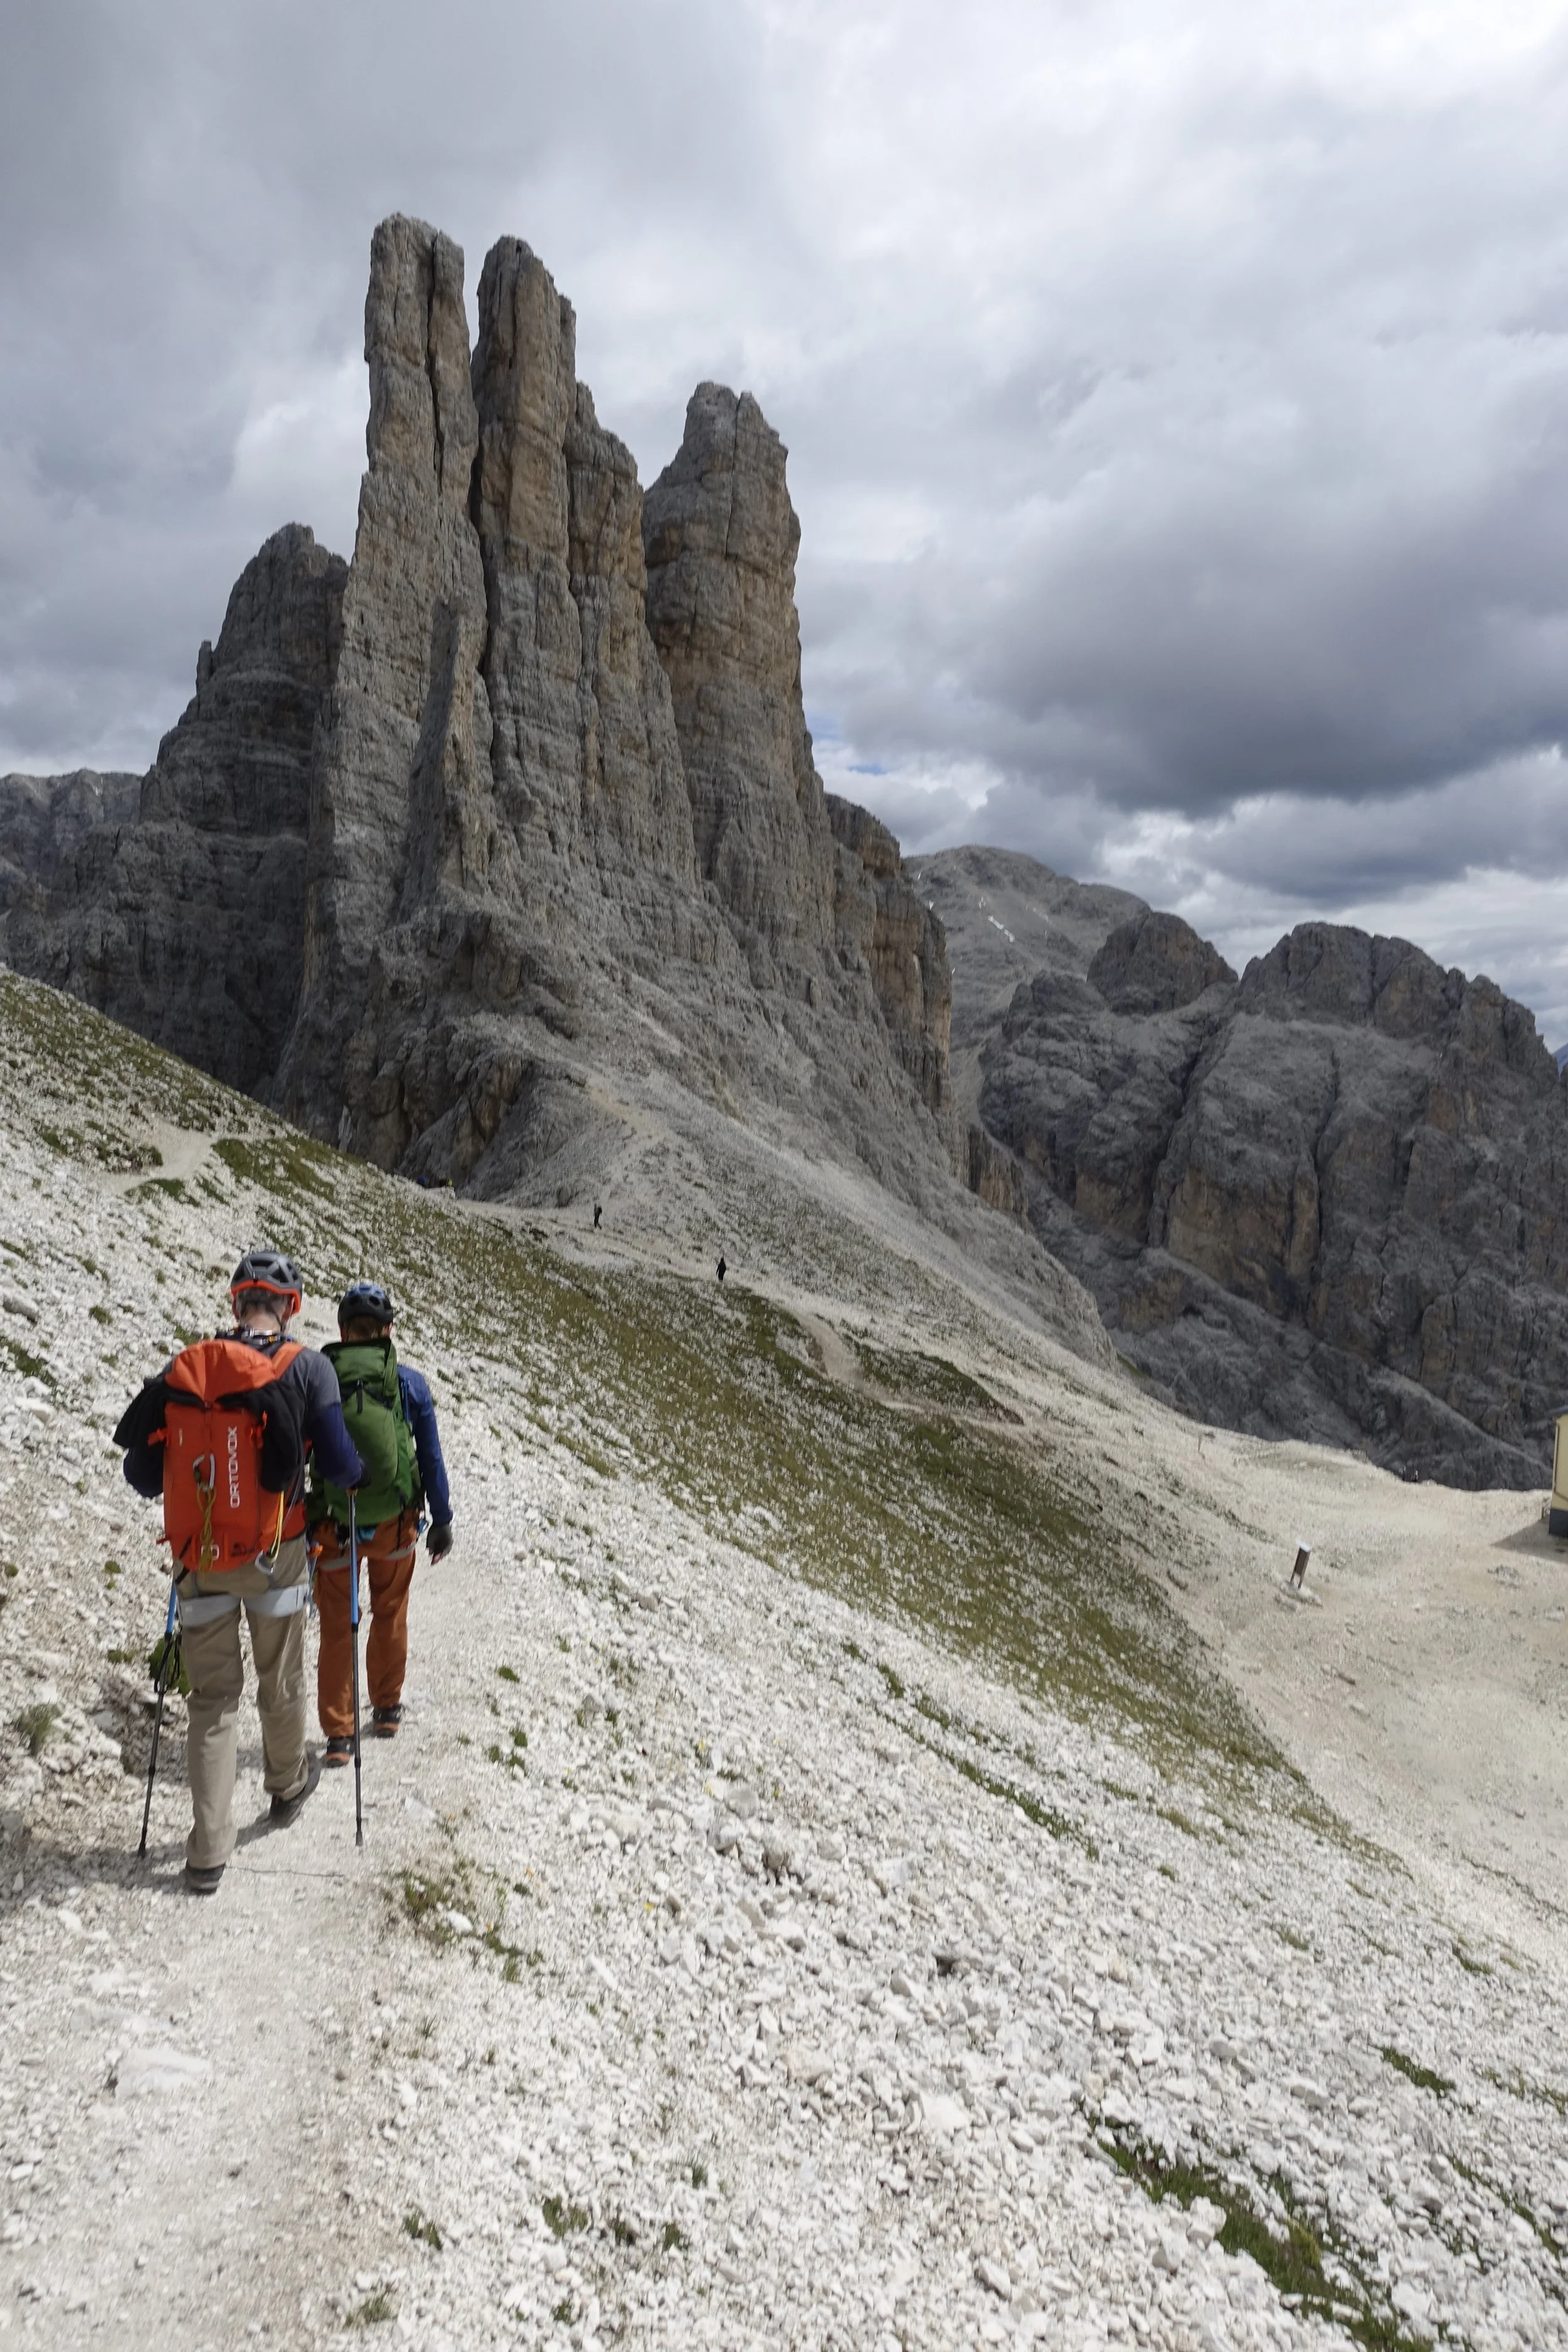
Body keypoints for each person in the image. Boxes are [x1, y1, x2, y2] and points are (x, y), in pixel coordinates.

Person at [115, 1249, 363, 1895]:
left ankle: (206, 1853)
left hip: (198, 1559)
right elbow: (338, 1464)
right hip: (275, 1553)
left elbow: (140, 1476)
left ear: (235, 1304)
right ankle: (286, 1785)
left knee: (211, 1700)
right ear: (292, 1307)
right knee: (278, 1679)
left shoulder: (185, 1370)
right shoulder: (305, 1367)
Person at [309, 1282, 452, 1760]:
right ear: (388, 1330)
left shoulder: (317, 1376)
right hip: (395, 1521)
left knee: (336, 1624)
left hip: (335, 1522)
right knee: (389, 1611)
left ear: (342, 1330)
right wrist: (443, 1519)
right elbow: (429, 1457)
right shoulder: (407, 1383)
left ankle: (338, 1734)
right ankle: (386, 1709)